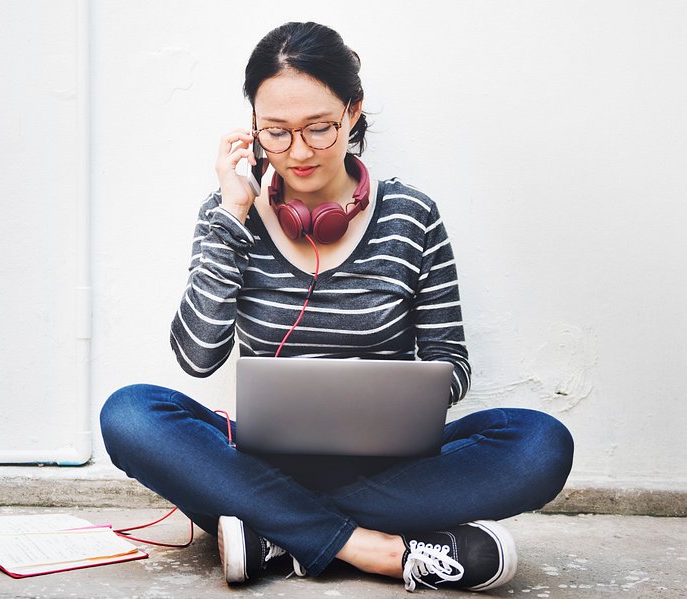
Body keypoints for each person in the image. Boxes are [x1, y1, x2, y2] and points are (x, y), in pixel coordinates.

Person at [100, 21, 574, 593]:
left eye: (318, 128)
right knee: (130, 413)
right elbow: (199, 358)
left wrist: (393, 396)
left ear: (353, 111)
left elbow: (453, 362)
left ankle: (273, 534)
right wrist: (232, 215)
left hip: (389, 469)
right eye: (275, 132)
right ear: (251, 128)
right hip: (259, 463)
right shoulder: (230, 213)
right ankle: (380, 550)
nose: (297, 152)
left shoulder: (412, 217)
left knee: (540, 445)